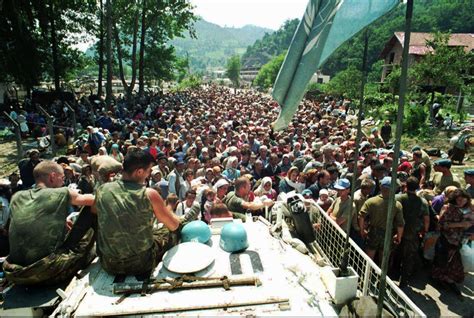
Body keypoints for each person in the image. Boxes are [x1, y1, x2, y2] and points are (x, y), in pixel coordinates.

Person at [3, 161, 96, 285]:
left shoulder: (17, 197)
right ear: (52, 176)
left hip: (15, 273)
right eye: (62, 178)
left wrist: (61, 221)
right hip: (46, 272)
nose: (63, 182)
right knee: (92, 210)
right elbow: (95, 200)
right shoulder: (62, 192)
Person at [94, 150, 181, 276]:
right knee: (170, 230)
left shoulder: (102, 190)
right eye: (149, 171)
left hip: (109, 264)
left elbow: (94, 212)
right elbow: (173, 225)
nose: (149, 174)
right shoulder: (149, 194)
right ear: (139, 172)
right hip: (141, 264)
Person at [432, 189, 473, 294]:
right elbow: (441, 224)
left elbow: (470, 221)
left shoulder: (465, 210)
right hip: (446, 239)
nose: (461, 203)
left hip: (458, 240)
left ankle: (448, 281)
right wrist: (459, 225)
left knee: (453, 263)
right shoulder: (448, 208)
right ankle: (438, 280)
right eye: (459, 200)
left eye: (463, 200)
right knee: (442, 261)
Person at [358, 177, 405, 262]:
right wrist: (399, 236)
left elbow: (361, 216)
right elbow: (400, 224)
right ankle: (381, 274)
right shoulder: (397, 205)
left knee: (369, 258)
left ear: (381, 187)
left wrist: (362, 230)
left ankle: (367, 274)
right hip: (387, 233)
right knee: (384, 259)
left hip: (373, 232)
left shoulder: (371, 201)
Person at [396, 177, 430, 287]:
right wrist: (425, 230)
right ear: (417, 188)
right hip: (412, 233)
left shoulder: (398, 198)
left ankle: (392, 274)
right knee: (409, 257)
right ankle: (404, 280)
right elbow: (426, 219)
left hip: (396, 231)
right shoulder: (422, 202)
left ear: (406, 185)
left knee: (395, 253)